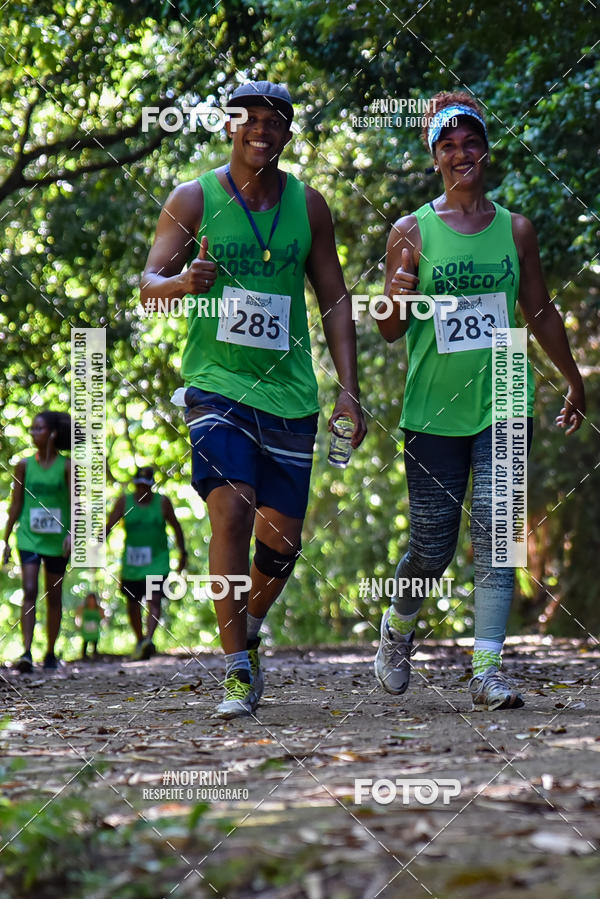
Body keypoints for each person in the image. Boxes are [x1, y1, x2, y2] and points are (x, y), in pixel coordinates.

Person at [140, 81, 366, 718]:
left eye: (274, 123)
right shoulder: (194, 197)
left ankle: (252, 626)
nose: (260, 132)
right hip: (216, 386)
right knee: (231, 513)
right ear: (230, 128)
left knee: (282, 546)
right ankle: (235, 666)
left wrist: (349, 392)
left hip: (290, 394)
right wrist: (183, 280)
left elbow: (335, 300)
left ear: (288, 135)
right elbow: (147, 283)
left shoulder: (309, 206)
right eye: (249, 121)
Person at [374, 91, 585, 710]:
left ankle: (487, 668)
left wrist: (573, 378)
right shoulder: (410, 230)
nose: (461, 153)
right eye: (448, 144)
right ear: (433, 155)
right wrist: (395, 294)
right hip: (433, 406)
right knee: (432, 546)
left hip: (504, 394)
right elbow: (389, 328)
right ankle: (398, 628)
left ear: (486, 150)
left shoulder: (516, 229)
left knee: (499, 532)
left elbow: (539, 309)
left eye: (471, 142)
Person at [2, 410, 72, 672]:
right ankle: (27, 652)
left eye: (38, 428)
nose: (33, 433)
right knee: (29, 590)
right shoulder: (23, 465)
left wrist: (71, 533)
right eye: (31, 428)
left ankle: (51, 652)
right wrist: (6, 538)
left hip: (56, 540)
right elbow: (16, 504)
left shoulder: (67, 466)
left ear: (52, 433)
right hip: (29, 537)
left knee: (54, 596)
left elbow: (77, 504)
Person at [105, 466, 186, 660]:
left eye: (145, 486)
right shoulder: (124, 502)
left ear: (151, 486)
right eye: (138, 486)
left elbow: (176, 527)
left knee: (154, 598)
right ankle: (140, 640)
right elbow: (109, 525)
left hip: (157, 561)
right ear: (135, 486)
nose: (142, 490)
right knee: (132, 603)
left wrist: (182, 553)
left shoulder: (163, 503)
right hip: (132, 564)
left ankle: (149, 639)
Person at [76, 591, 104, 659]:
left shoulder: (99, 609)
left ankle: (95, 654)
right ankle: (84, 656)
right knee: (85, 642)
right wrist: (77, 625)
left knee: (95, 642)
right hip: (86, 630)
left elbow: (103, 618)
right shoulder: (83, 608)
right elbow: (77, 616)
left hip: (95, 630)